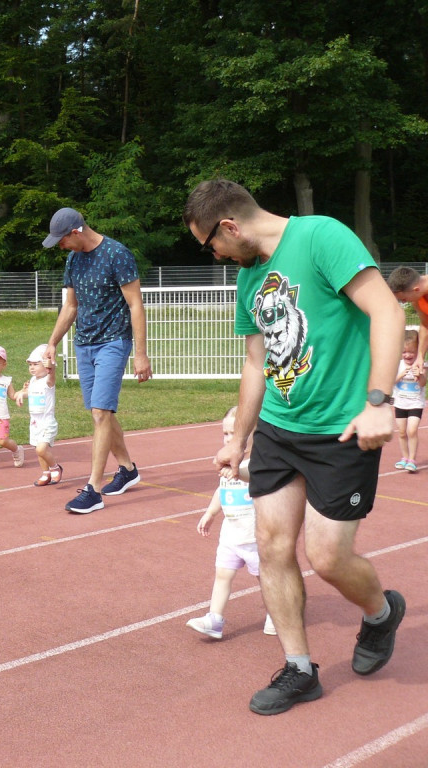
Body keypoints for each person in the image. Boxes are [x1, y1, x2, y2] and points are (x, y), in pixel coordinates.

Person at [183, 178, 406, 716]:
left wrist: (378, 401)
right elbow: (257, 363)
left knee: (327, 557)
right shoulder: (248, 279)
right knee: (272, 545)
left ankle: (379, 613)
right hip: (281, 429)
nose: (213, 255)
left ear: (230, 226)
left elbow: (388, 312)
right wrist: (239, 438)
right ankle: (299, 667)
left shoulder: (321, 236)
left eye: (209, 244)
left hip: (341, 429)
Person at [40, 207, 152, 515]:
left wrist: (140, 354)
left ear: (76, 231)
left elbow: (135, 305)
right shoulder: (73, 259)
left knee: (102, 411)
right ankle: (127, 469)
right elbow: (70, 307)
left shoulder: (117, 254)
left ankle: (92, 489)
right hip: (84, 344)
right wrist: (52, 342)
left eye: (61, 240)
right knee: (98, 413)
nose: (59, 246)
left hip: (114, 342)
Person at [187, 406, 275, 640]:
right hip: (230, 537)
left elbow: (252, 477)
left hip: (254, 539)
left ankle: (276, 614)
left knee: (266, 580)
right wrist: (210, 513)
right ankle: (215, 620)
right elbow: (221, 489)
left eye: (234, 434)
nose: (229, 439)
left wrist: (235, 471)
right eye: (225, 434)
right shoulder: (228, 461)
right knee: (222, 576)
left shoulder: (257, 462)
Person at [15, 343, 62, 486]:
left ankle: (55, 467)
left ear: (46, 365)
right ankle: (45, 473)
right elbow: (30, 393)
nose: (32, 367)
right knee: (38, 450)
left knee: (42, 449)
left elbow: (52, 375)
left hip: (47, 422)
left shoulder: (48, 381)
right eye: (30, 364)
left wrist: (51, 368)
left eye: (36, 364)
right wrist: (22, 393)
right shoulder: (33, 381)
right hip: (34, 422)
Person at [392, 329, 425, 473]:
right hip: (400, 403)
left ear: (417, 351)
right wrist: (400, 375)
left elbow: (424, 383)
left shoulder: (421, 364)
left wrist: (420, 375)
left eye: (411, 351)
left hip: (415, 403)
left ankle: (412, 459)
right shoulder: (398, 365)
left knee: (412, 431)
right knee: (402, 432)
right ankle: (404, 457)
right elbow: (391, 381)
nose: (408, 355)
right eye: (404, 352)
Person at [386, 266, 428, 373]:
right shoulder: (417, 298)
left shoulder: (416, 294)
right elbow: (425, 325)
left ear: (416, 290)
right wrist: (420, 357)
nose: (404, 303)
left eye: (404, 299)